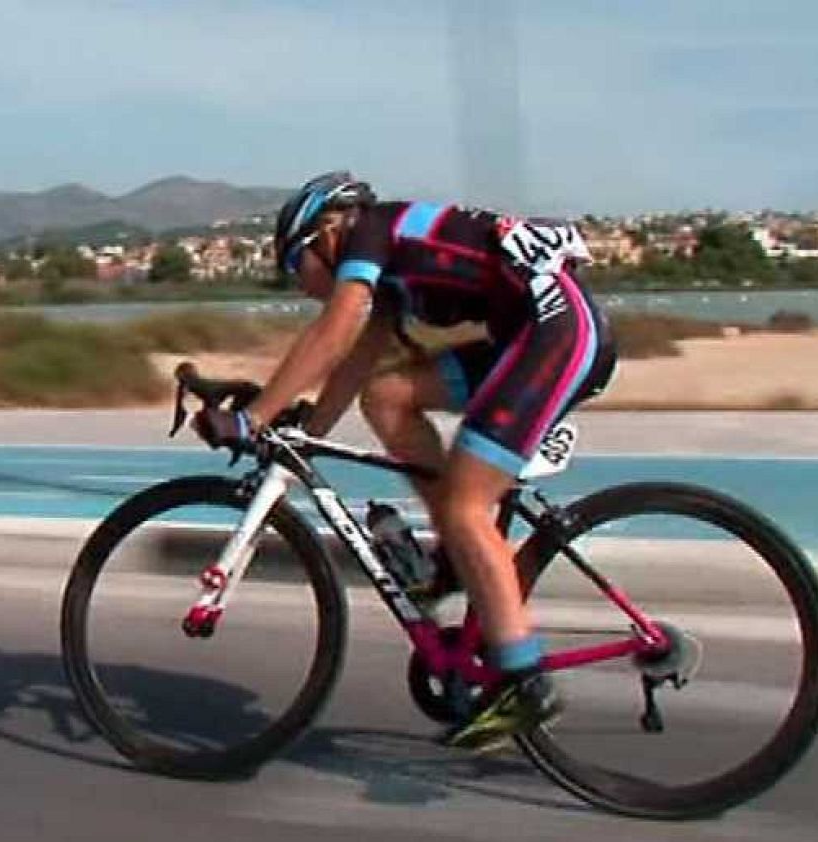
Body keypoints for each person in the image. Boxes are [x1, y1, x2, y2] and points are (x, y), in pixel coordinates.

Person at [193, 171, 617, 751]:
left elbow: (334, 331)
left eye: (297, 270)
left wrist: (254, 418)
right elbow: (357, 360)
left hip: (554, 335)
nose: (302, 287)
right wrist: (305, 431)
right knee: (389, 396)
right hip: (531, 334)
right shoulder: (390, 269)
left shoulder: (370, 232)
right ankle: (454, 565)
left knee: (470, 508)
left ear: (323, 234)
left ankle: (525, 681)